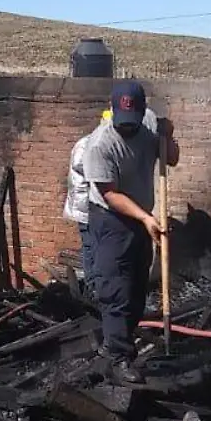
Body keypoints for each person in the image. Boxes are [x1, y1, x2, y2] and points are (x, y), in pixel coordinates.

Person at [82, 81, 179, 384]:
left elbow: (172, 158)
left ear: (141, 112)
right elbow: (110, 194)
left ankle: (116, 346)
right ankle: (117, 358)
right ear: (112, 111)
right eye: (122, 120)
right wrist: (146, 218)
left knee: (137, 288)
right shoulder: (99, 145)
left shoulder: (148, 127)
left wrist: (168, 135)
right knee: (116, 288)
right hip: (111, 219)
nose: (127, 126)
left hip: (140, 219)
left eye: (132, 120)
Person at [63, 108, 160, 301]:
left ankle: (102, 287)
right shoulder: (90, 146)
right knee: (92, 249)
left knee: (99, 251)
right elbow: (95, 181)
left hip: (96, 206)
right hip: (86, 207)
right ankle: (93, 289)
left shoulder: (107, 142)